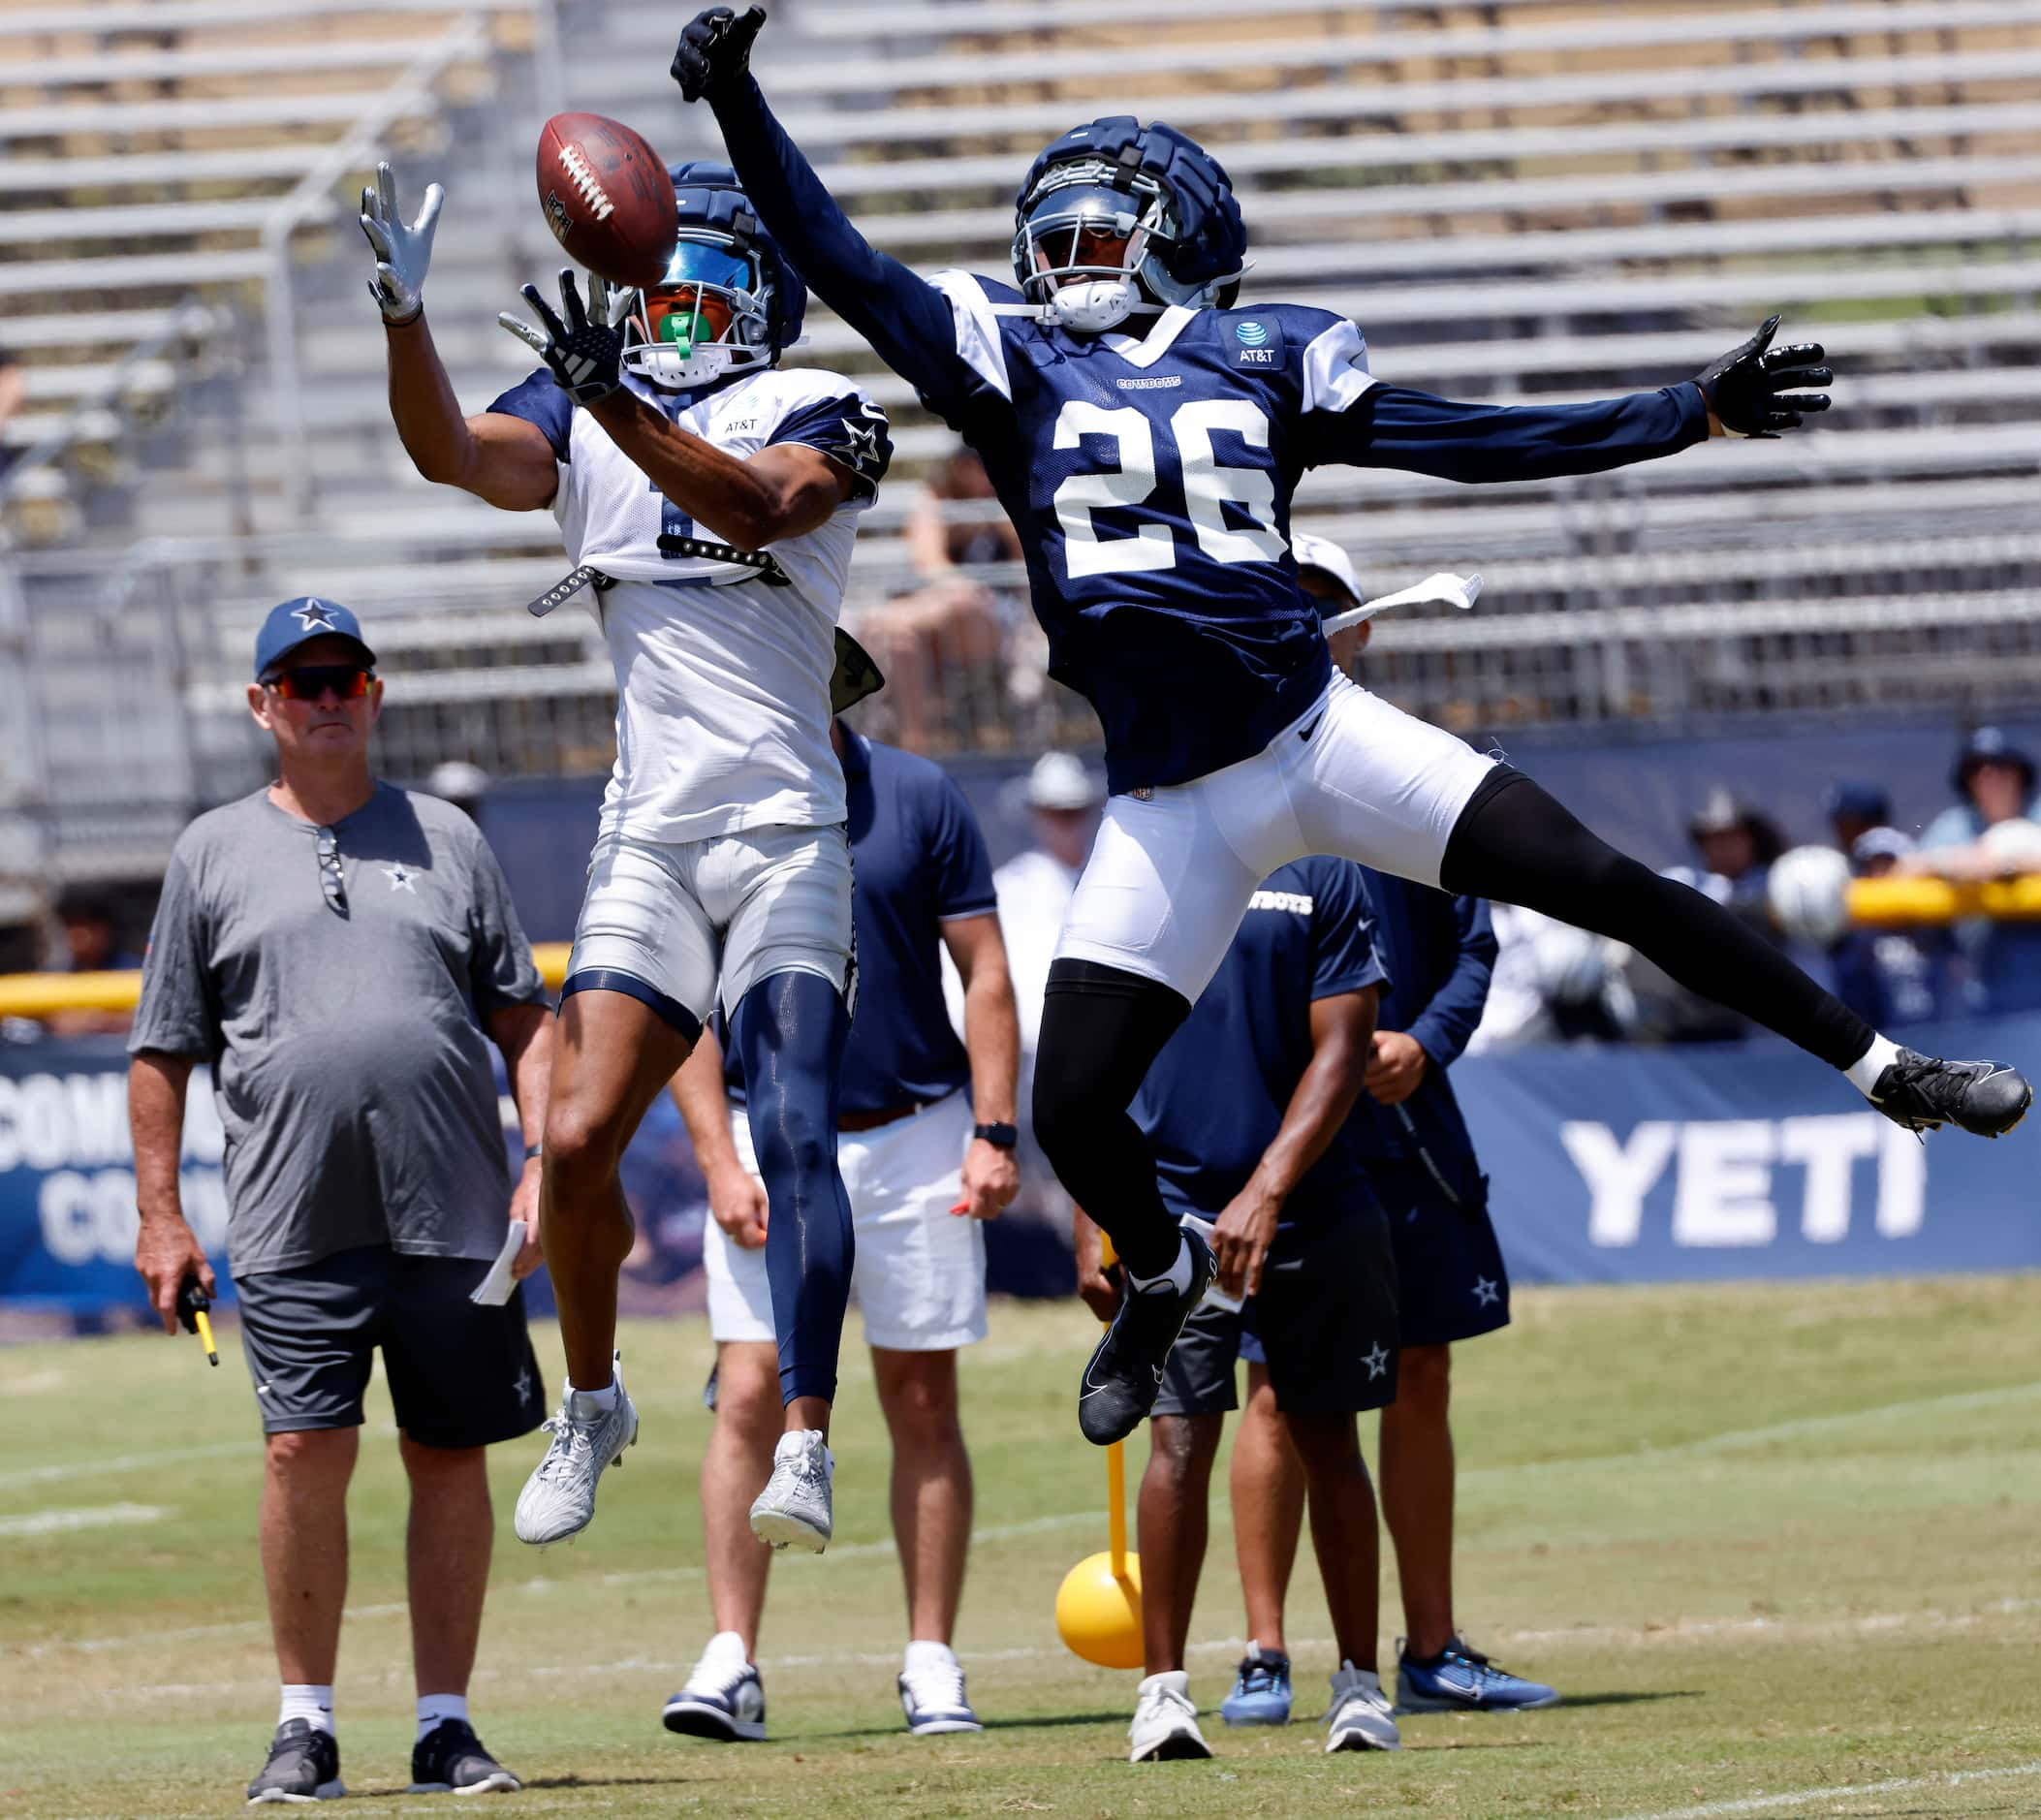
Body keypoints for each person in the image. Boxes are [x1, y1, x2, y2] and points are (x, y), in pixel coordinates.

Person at [673, 8, 2029, 1448]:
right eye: (1055, 231)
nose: (1067, 254)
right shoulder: (1004, 358)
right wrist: (740, 103)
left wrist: (1686, 411)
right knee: (1073, 1105)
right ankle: (1162, 1277)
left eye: (1102, 227)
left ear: (1179, 235)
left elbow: (1471, 437)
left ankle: (1889, 1072)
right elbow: (836, 253)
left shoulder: (1267, 353)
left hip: (1319, 734)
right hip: (1173, 799)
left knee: (1612, 885)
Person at [360, 153, 895, 1551]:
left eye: (704, 278)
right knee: (577, 1134)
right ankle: (591, 1401)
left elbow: (758, 506)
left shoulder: (823, 405)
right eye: (657, 281)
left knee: (790, 1122)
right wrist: (402, 315)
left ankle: (808, 1435)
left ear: (765, 293)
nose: (674, 304)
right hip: (650, 829)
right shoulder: (586, 403)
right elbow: (456, 456)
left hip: (783, 826)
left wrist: (610, 395)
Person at [128, 599, 552, 1804]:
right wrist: (161, 1216)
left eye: (343, 679)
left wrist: (544, 1162)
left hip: (458, 1209)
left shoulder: (448, 837)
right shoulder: (209, 850)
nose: (324, 700)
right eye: (300, 682)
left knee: (449, 1452)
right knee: (301, 1450)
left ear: (374, 696)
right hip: (290, 1216)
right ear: (262, 704)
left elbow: (523, 1016)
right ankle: (304, 1725)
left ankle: (445, 1725)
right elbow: (161, 1051)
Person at [1208, 534, 1557, 1724]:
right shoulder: (1215, 768)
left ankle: (1433, 1644)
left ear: (1361, 629)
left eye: (1325, 608)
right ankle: (1265, 1653)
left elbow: (1474, 943)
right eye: (1286, 605)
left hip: (1406, 1126)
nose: (1307, 626)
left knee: (1420, 1372)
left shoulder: (1422, 766)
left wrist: (1428, 1042)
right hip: (1274, 1135)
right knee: (1269, 1388)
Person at [667, 717, 1020, 1741]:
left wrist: (995, 1129)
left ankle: (931, 1659)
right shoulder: (712, 800)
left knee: (920, 1396)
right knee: (745, 1395)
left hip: (915, 1131)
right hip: (769, 1135)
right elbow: (683, 999)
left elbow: (984, 969)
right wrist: (717, 1161)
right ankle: (732, 1658)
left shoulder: (918, 793)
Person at [1073, 854, 1397, 1762]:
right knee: (1176, 1438)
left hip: (1315, 1206)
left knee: (1328, 1439)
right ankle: (1162, 1697)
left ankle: (1360, 1689)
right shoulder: (1139, 857)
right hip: (1168, 1211)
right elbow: (1088, 1057)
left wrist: (1268, 1188)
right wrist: (1091, 1212)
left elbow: (1343, 1046)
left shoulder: (1325, 869)